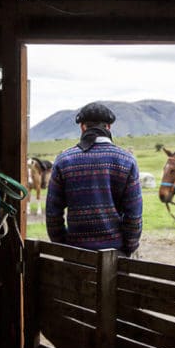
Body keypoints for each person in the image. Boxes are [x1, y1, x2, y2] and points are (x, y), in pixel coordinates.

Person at [46, 102, 142, 257]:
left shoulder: (64, 160)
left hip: (75, 256)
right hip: (115, 255)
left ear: (83, 127)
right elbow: (134, 215)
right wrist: (128, 248)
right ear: (108, 127)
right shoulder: (127, 161)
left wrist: (63, 246)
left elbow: (53, 213)